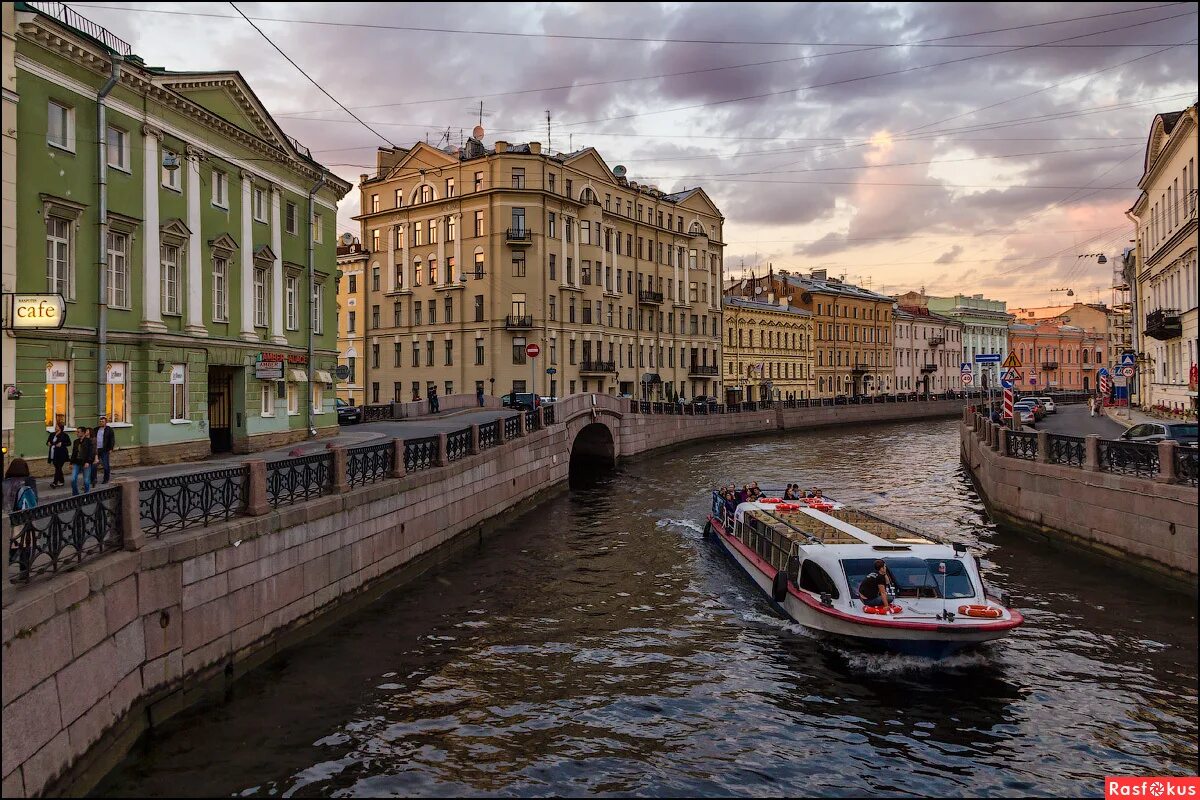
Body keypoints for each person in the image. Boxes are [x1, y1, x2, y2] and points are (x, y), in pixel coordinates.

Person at [70, 426, 96, 496]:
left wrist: (88, 462)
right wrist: (71, 463)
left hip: (86, 463)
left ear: (83, 433)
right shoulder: (76, 442)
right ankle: (75, 495)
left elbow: (91, 453)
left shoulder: (88, 441)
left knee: (86, 481)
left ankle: (86, 495)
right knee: (73, 479)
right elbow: (74, 453)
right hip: (77, 462)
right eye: (77, 432)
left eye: (78, 432)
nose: (77, 433)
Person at [92, 415, 117, 484]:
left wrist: (111, 448)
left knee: (105, 465)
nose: (101, 423)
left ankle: (106, 479)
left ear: (106, 422)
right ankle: (94, 479)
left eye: (102, 421)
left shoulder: (109, 430)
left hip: (104, 449)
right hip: (96, 450)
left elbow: (112, 440)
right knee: (94, 465)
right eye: (100, 421)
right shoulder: (96, 429)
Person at [46, 423, 71, 488]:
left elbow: (69, 443)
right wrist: (48, 443)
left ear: (60, 428)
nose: (55, 427)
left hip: (61, 453)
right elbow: (48, 442)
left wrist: (62, 444)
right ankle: (62, 481)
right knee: (58, 468)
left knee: (58, 468)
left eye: (56, 426)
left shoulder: (64, 435)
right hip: (53, 453)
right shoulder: (52, 434)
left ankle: (55, 483)